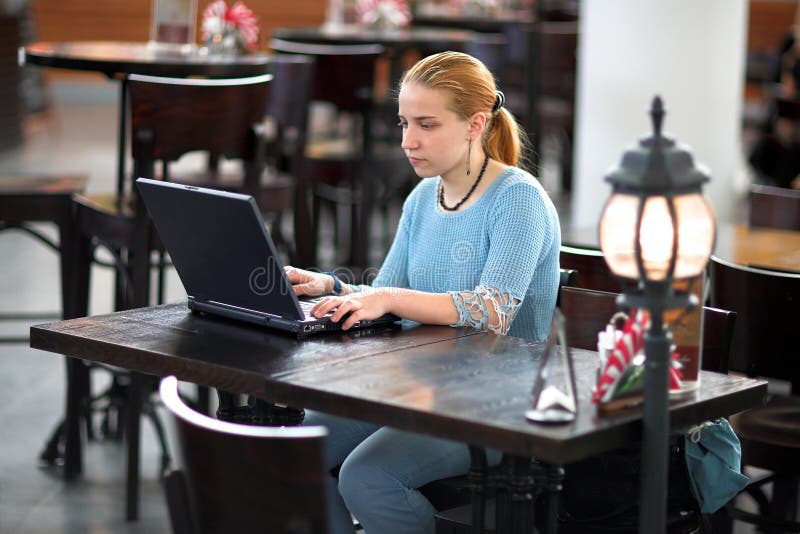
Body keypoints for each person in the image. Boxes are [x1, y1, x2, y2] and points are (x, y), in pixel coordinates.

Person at [285, 51, 561, 533]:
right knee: (296, 451)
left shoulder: (519, 198)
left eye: (427, 125)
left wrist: (388, 299)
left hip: (500, 403)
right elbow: (390, 293)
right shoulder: (422, 196)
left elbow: (491, 309)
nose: (407, 141)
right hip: (426, 389)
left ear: (475, 125)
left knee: (368, 478)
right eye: (404, 123)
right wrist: (334, 287)